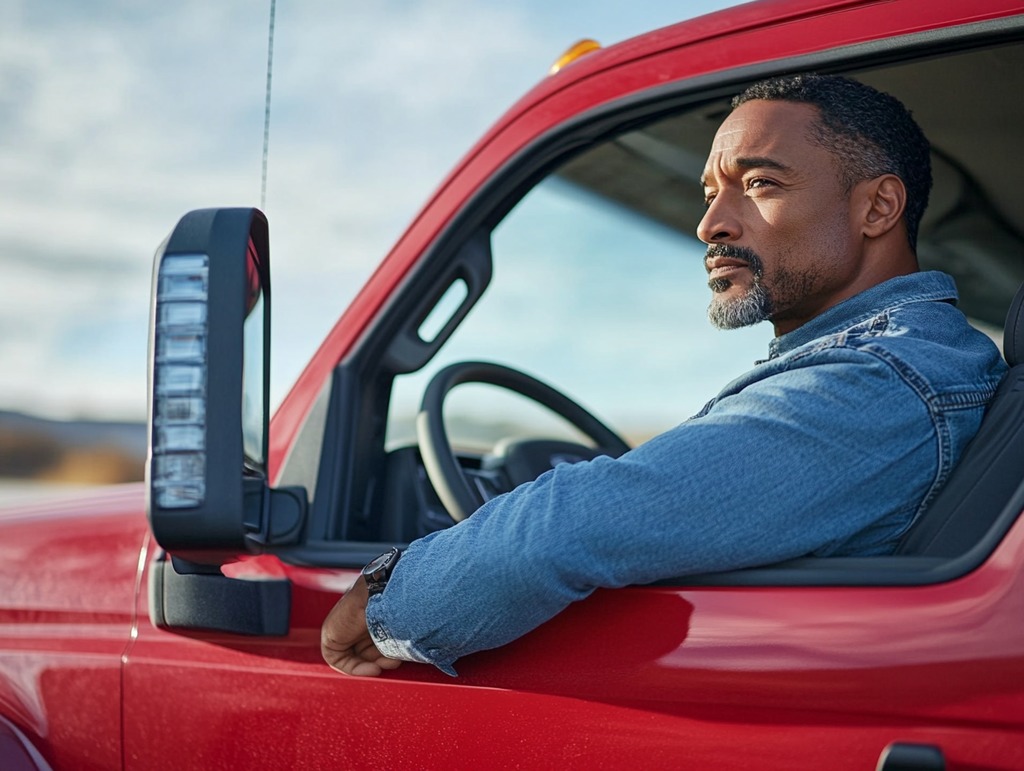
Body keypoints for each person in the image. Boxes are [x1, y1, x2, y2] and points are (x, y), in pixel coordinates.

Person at [321, 74, 1008, 678]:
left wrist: (386, 601)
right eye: (711, 194)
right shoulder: (917, 359)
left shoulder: (877, 383)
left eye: (760, 183)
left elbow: (576, 523)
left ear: (877, 208)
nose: (710, 223)